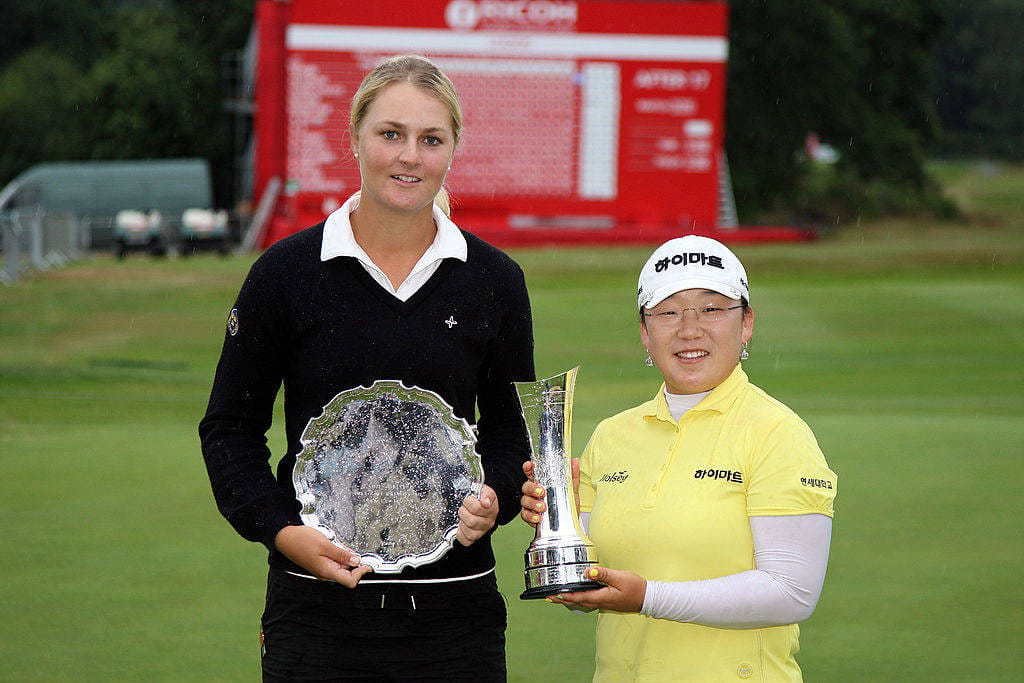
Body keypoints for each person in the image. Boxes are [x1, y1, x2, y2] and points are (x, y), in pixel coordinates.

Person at [200, 54, 535, 681]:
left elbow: (512, 434)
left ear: (452, 151)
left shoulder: (496, 282)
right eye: (391, 134)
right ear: (356, 138)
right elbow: (229, 429)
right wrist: (281, 531)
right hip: (317, 614)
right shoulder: (285, 274)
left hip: (457, 616)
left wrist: (497, 498)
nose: (410, 156)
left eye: (430, 139)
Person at [520, 235, 836, 681]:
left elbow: (791, 592)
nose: (690, 329)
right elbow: (589, 591)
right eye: (668, 312)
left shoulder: (778, 434)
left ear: (746, 324)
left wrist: (647, 597)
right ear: (645, 332)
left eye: (711, 309)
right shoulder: (612, 435)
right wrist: (557, 528)